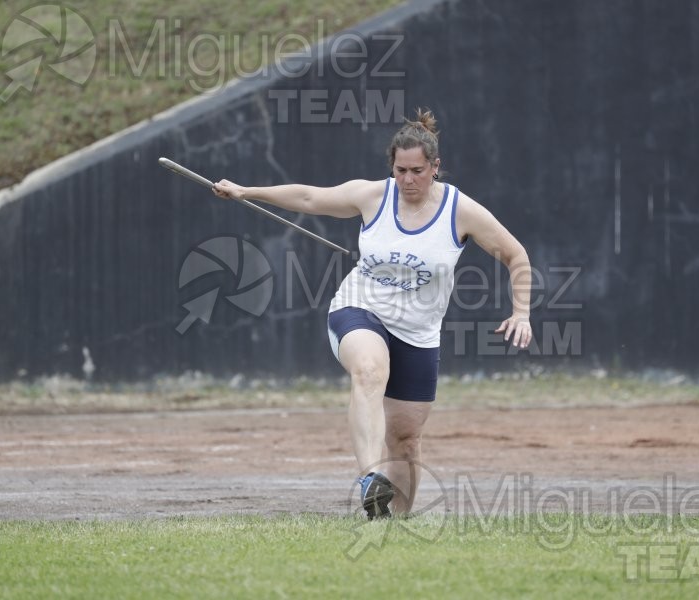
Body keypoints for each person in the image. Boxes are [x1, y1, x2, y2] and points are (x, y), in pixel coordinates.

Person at [213, 108, 532, 519]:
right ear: (392, 167)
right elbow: (311, 197)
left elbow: (515, 254)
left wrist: (521, 312)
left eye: (418, 170)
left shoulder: (460, 210)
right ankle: (369, 477)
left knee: (406, 440)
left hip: (418, 333)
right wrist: (247, 191)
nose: (408, 180)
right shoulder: (373, 196)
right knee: (368, 370)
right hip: (359, 310)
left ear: (436, 167)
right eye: (401, 170)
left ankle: (391, 523)